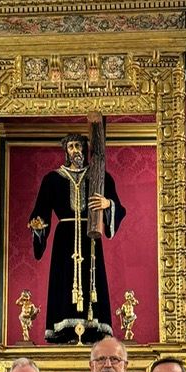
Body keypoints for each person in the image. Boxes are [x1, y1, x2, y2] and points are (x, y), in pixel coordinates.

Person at [28, 131, 127, 343]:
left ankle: (94, 329)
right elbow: (40, 213)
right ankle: (64, 330)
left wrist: (107, 204)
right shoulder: (52, 179)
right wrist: (38, 226)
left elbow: (119, 207)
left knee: (93, 280)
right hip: (64, 239)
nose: (76, 150)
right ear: (66, 150)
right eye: (72, 146)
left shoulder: (99, 177)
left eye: (79, 146)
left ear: (86, 149)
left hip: (90, 237)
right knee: (64, 281)